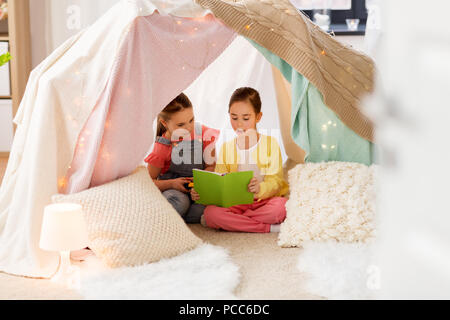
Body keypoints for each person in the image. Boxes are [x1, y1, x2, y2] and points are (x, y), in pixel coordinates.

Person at [192, 87, 289, 233]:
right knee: (211, 213)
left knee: (282, 207)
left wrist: (260, 189)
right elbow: (219, 181)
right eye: (234, 117)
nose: (239, 124)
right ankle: (267, 227)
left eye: (245, 118)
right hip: (236, 204)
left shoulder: (270, 144)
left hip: (264, 202)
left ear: (258, 117)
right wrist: (201, 193)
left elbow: (275, 182)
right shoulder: (226, 148)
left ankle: (236, 221)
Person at [146, 93, 219, 223]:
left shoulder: (203, 134)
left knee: (210, 206)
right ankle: (169, 215)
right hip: (174, 190)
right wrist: (172, 183)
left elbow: (211, 166)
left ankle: (181, 217)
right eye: (181, 124)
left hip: (199, 188)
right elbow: (148, 181)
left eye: (191, 120)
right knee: (178, 202)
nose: (189, 128)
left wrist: (201, 182)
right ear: (164, 123)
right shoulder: (162, 146)